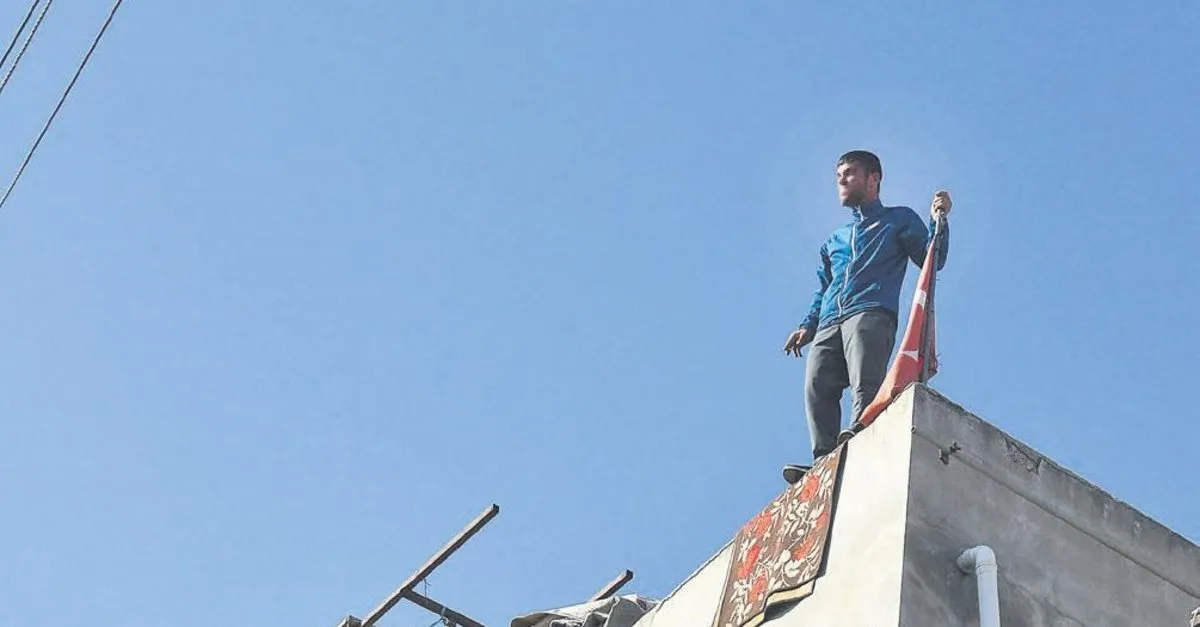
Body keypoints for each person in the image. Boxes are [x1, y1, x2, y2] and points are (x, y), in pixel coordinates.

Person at [780, 150, 952, 484]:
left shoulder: (898, 219)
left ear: (874, 179)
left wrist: (938, 221)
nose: (842, 181)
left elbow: (932, 257)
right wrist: (807, 325)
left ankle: (862, 433)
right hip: (830, 320)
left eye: (849, 173)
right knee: (817, 385)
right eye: (838, 176)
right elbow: (824, 287)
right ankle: (824, 460)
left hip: (871, 310)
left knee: (865, 382)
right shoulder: (835, 240)